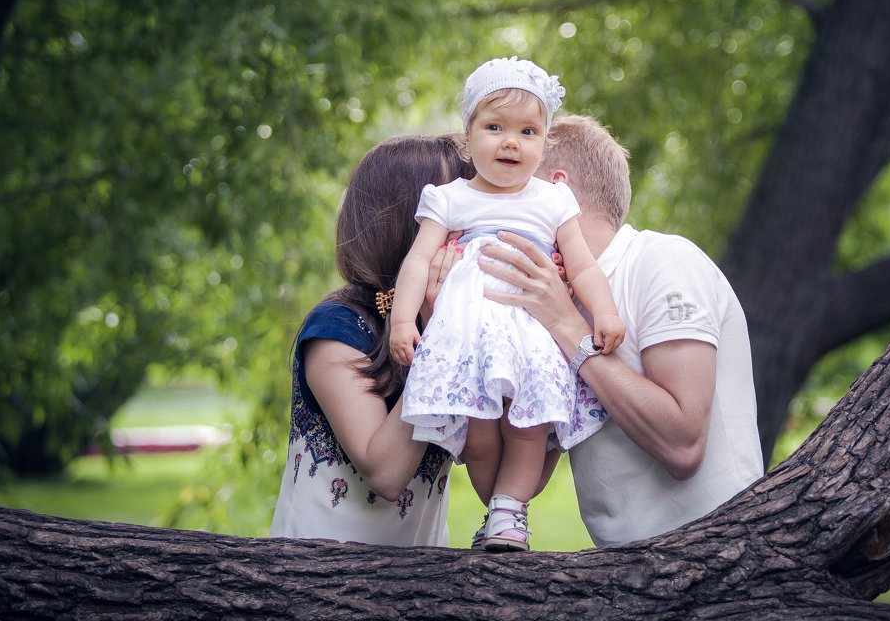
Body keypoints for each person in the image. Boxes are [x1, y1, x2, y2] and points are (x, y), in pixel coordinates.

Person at [478, 114, 764, 546]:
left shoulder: (663, 261)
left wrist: (567, 327)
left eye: (510, 194)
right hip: (622, 574)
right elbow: (525, 481)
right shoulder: (554, 301)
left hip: (721, 557)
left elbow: (683, 446)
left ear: (558, 192)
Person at [388, 58, 625, 552]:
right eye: (494, 127)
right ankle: (496, 509)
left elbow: (581, 267)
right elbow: (416, 264)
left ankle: (510, 511)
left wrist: (603, 312)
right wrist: (404, 319)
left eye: (528, 131)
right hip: (469, 335)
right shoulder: (449, 199)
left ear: (543, 142)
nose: (511, 142)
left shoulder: (554, 202)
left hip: (531, 330)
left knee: (528, 426)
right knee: (478, 433)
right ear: (469, 135)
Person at [268, 134, 473, 547]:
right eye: (459, 207)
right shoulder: (336, 328)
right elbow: (386, 473)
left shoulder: (450, 319)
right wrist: (438, 333)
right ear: (407, 220)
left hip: (424, 589)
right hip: (315, 587)